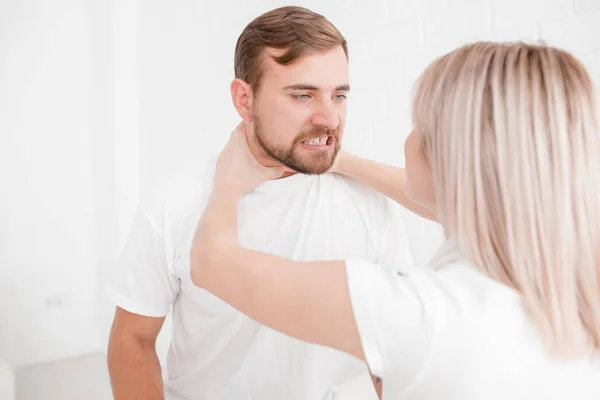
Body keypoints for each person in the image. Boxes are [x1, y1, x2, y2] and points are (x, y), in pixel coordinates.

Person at [191, 41, 600, 399]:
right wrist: (337, 161)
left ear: (451, 158)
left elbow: (213, 262)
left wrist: (228, 183)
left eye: (419, 126)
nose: (331, 117)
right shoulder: (565, 274)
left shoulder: (422, 314)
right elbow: (462, 203)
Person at [106, 6, 430, 400]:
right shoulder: (178, 200)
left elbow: (390, 347)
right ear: (244, 99)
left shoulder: (370, 203)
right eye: (303, 95)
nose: (329, 118)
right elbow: (133, 339)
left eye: (339, 95)